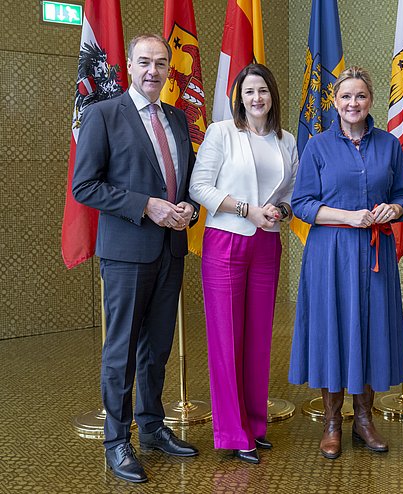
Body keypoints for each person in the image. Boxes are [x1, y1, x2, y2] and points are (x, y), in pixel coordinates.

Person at [72, 34, 200, 483]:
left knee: (157, 348)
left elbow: (185, 183)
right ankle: (116, 440)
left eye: (161, 63)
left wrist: (189, 208)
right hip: (127, 252)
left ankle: (151, 427)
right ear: (129, 65)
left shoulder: (178, 119)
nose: (153, 71)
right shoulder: (103, 115)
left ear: (168, 70)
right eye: (144, 62)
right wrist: (147, 205)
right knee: (122, 349)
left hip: (171, 249)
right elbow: (84, 186)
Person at [288, 66, 403, 460]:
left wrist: (393, 208)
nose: (352, 103)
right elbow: (302, 204)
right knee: (334, 331)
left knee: (371, 330)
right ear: (335, 102)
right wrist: (348, 216)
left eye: (360, 96)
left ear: (370, 101)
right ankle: (331, 422)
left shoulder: (390, 144)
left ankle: (364, 418)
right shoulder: (317, 146)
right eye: (345, 97)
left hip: (375, 255)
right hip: (331, 254)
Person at [189, 63, 298, 465]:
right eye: (249, 92)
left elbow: (292, 190)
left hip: (267, 244)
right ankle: (232, 432)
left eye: (263, 91)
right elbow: (198, 186)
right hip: (226, 242)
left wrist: (281, 211)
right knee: (226, 339)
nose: (257, 98)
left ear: (273, 96)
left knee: (258, 338)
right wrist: (247, 209)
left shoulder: (286, 140)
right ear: (239, 97)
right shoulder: (221, 132)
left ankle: (254, 423)